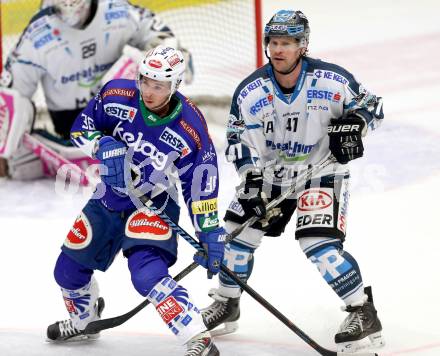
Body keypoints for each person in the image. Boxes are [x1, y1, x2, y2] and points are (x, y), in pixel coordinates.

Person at [201, 9, 385, 354]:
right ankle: (228, 301)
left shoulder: (332, 80)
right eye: (273, 42)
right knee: (235, 233)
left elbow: (373, 106)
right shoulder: (251, 90)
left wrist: (356, 123)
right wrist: (252, 183)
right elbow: (238, 141)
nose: (278, 49)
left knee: (318, 245)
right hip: (272, 173)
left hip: (322, 171)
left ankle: (362, 310)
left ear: (302, 45)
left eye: (286, 43)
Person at [46, 45, 223, 356]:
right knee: (66, 271)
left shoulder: (190, 128)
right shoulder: (116, 96)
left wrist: (208, 232)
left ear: (176, 85)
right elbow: (80, 129)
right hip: (109, 196)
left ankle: (196, 334)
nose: (149, 92)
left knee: (147, 273)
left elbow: (200, 185)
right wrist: (102, 145)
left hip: (154, 202)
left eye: (159, 85)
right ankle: (84, 320)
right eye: (145, 81)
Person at [0, 0, 193, 179]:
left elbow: (167, 42)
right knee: (12, 113)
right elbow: (10, 96)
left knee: (148, 63)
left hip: (128, 120)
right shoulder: (38, 33)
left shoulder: (117, 10)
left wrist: (167, 60)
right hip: (71, 129)